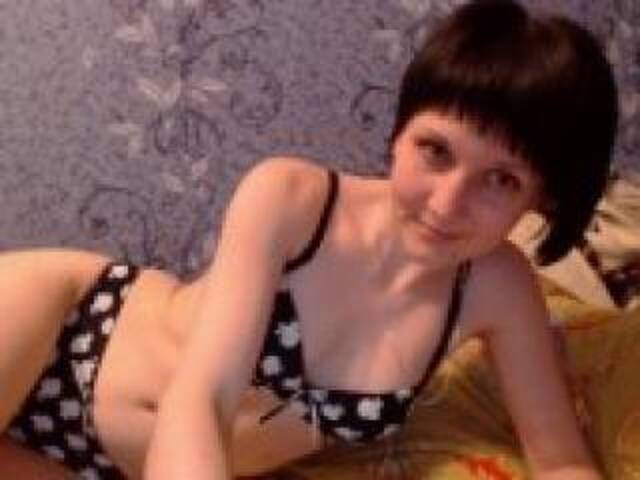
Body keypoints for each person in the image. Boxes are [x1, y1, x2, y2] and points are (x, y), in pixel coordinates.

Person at [0, 0, 618, 479]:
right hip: (68, 324)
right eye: (435, 150)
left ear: (542, 199)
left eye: (501, 180)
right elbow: (203, 399)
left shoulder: (499, 287)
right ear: (399, 133)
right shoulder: (292, 199)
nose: (446, 202)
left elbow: (560, 459)